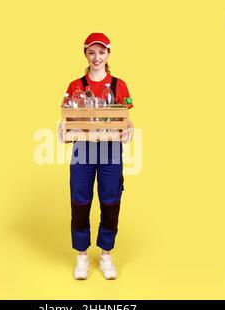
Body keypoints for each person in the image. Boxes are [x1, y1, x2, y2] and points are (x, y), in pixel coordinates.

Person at [63, 33, 134, 280]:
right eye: (91, 52)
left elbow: (126, 119)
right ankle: (81, 255)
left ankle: (105, 255)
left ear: (108, 54)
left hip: (111, 150)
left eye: (101, 52)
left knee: (110, 200)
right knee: (80, 201)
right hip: (83, 150)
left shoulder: (119, 85)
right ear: (85, 54)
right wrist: (62, 130)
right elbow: (67, 120)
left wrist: (130, 129)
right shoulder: (75, 86)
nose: (96, 57)